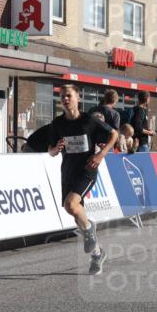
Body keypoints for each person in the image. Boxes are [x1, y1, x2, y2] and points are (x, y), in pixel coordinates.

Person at [47, 85, 118, 276]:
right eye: (62, 96)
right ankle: (97, 253)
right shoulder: (57, 123)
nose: (65, 99)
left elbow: (114, 134)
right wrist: (57, 148)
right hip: (68, 170)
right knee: (75, 212)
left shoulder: (89, 120)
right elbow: (51, 151)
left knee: (71, 205)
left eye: (68, 96)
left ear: (78, 98)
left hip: (88, 168)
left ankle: (89, 229)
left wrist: (101, 154)